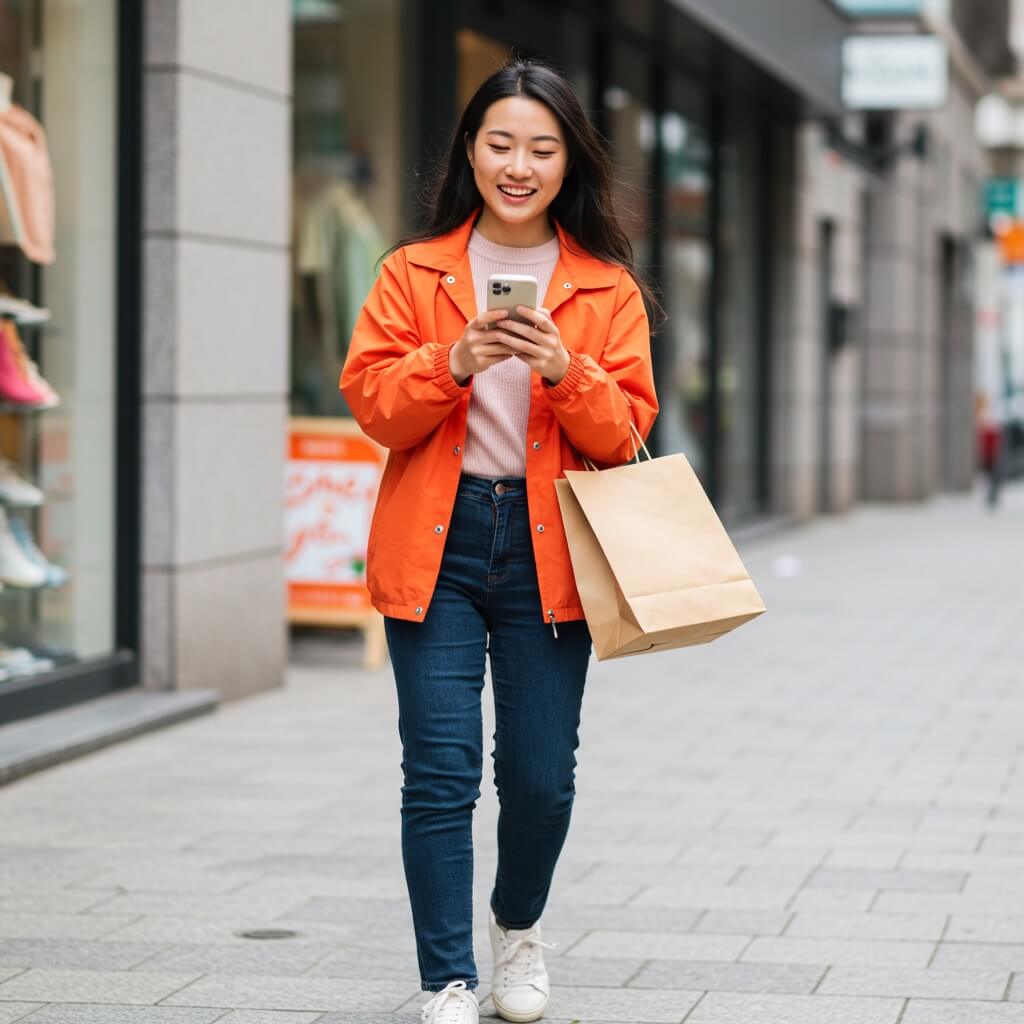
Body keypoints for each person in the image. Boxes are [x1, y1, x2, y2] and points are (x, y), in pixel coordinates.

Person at [340, 58, 659, 1024]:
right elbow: (374, 408)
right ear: (471, 151)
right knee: (437, 771)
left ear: (570, 163)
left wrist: (567, 372)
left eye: (542, 148)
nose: (518, 165)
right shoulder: (413, 271)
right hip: (436, 541)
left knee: (540, 777)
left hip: (551, 547)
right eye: (501, 143)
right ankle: (446, 975)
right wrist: (453, 359)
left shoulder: (605, 288)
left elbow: (629, 433)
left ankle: (516, 929)